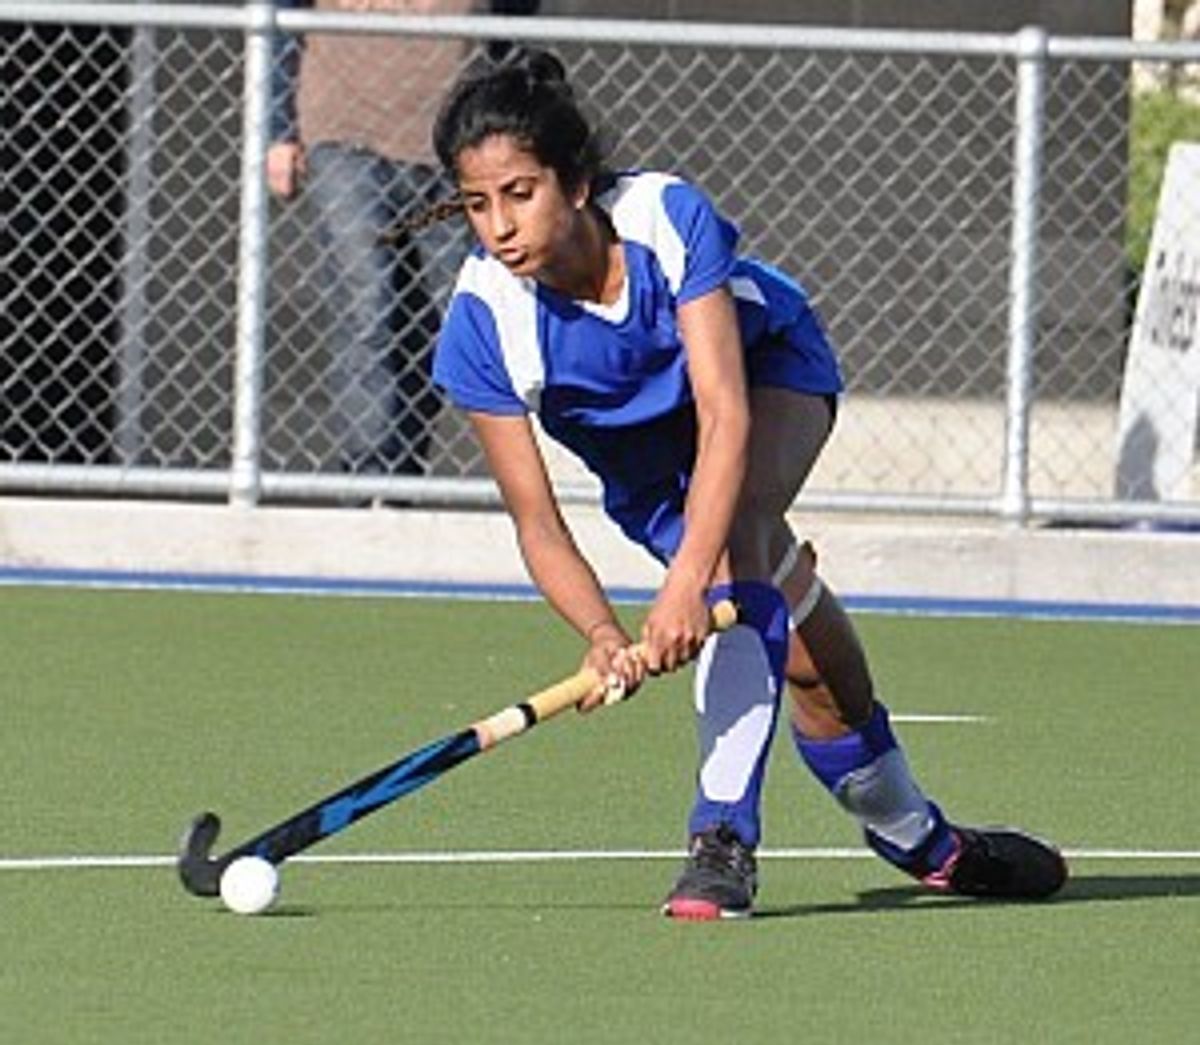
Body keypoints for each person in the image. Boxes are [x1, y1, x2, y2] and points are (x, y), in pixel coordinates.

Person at [429, 49, 1068, 920]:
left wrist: (687, 583)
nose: (499, 226)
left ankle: (720, 837)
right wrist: (603, 634)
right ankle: (924, 841)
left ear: (574, 185)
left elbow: (725, 414)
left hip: (767, 377)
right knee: (812, 669)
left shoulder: (663, 218)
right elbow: (537, 522)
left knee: (739, 547)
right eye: (476, 204)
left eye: (519, 193)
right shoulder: (481, 323)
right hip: (653, 476)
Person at [267, 0, 537, 479]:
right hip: (344, 131)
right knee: (365, 306)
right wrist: (279, 129)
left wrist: (504, 119)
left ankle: (412, 468)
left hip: (452, 141)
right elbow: (278, 17)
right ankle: (370, 475)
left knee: (452, 316)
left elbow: (514, 22)